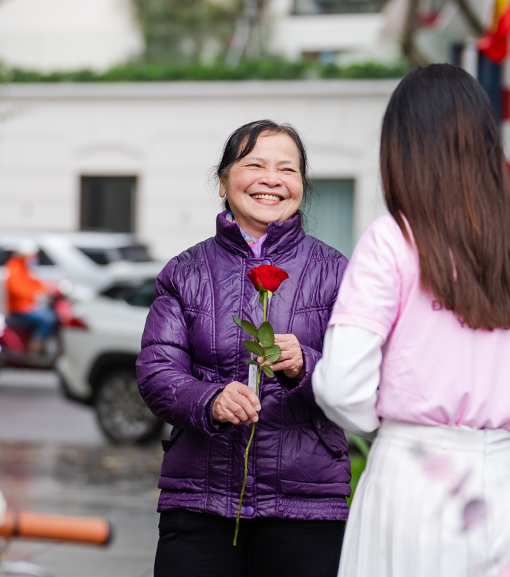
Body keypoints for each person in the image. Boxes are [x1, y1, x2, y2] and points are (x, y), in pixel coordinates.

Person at [312, 64, 510, 577]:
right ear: (487, 145)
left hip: (414, 475)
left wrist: (390, 419)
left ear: (402, 149)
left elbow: (342, 388)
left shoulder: (393, 240)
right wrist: (509, 411)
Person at [136, 120, 350, 577]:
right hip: (200, 501)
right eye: (254, 164)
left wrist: (305, 366)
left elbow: (363, 376)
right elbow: (157, 372)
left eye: (286, 169)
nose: (271, 179)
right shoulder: (185, 271)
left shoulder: (337, 272)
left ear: (301, 186)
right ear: (223, 181)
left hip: (306, 504)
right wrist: (212, 399)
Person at [4, 239, 57, 353]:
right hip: (20, 308)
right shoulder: (14, 268)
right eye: (32, 256)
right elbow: (15, 288)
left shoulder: (24, 267)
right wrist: (36, 294)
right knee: (48, 318)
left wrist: (49, 287)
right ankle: (35, 345)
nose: (34, 259)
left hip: (28, 305)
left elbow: (34, 282)